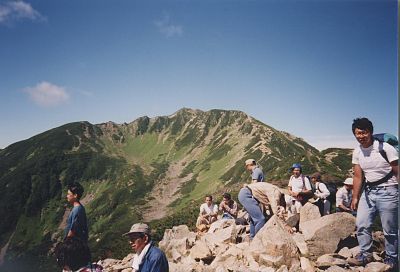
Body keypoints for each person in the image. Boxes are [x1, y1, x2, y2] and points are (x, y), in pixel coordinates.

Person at [348, 118, 398, 270]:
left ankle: (392, 257)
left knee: (390, 229)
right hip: (368, 193)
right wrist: (355, 196)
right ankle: (365, 254)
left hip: (389, 191)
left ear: (370, 132)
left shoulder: (386, 148)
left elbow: (397, 171)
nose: (360, 136)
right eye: (357, 133)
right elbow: (358, 176)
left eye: (363, 133)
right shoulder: (357, 151)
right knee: (362, 224)